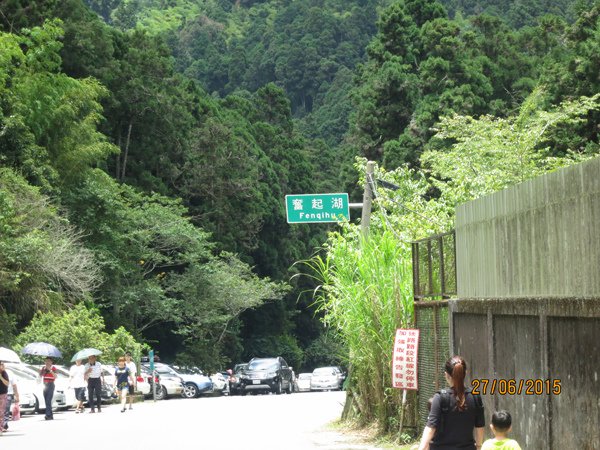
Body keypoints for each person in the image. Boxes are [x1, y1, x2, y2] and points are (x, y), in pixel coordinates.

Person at [417, 355, 485, 450]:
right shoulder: (475, 396)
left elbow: (431, 428)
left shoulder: (440, 397)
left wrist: (422, 448)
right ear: (465, 373)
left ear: (446, 375)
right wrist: (478, 446)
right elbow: (480, 426)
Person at [0, 362, 9, 434]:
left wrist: (1, 377)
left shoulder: (4, 373)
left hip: (3, 394)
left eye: (2, 365)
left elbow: (7, 383)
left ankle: (0, 428)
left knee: (1, 412)